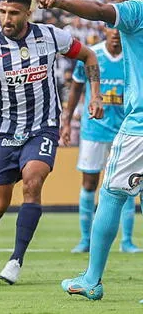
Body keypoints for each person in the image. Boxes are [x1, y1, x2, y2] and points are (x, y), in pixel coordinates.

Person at [0, 0, 103, 285]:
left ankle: (16, 259)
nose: (6, 18)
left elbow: (89, 56)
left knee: (33, 181)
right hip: (6, 131)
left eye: (13, 13)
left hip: (43, 127)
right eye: (2, 12)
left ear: (29, 12)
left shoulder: (51, 36)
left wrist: (96, 96)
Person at [36, 0, 143, 301]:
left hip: (139, 126)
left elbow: (99, 9)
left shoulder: (135, 10)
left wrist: (61, 1)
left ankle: (92, 279)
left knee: (111, 194)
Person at [64, 27, 140, 254]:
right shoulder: (92, 56)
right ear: (104, 30)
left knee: (126, 185)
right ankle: (85, 239)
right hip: (94, 131)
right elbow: (76, 89)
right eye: (111, 28)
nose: (116, 33)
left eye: (120, 29)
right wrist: (66, 122)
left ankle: (127, 241)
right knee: (89, 183)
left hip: (125, 131)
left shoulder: (133, 57)